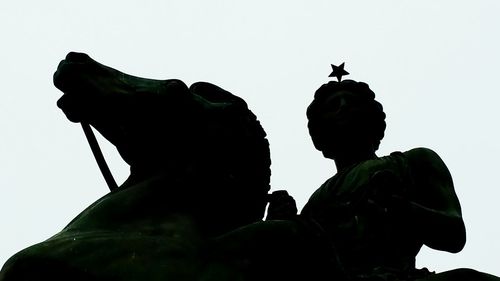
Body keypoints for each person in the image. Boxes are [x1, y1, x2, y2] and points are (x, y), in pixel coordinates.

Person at [301, 79, 467, 280]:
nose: (343, 107)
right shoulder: (315, 204)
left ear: (372, 118)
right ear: (321, 131)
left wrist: (398, 207)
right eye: (333, 106)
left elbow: (454, 234)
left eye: (352, 103)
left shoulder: (415, 161)